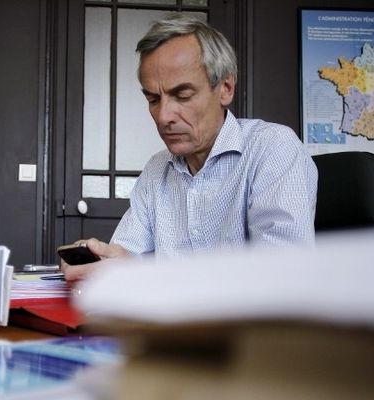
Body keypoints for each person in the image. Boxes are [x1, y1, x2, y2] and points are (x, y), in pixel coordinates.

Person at [62, 12, 318, 281]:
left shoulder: (273, 149)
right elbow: (128, 252)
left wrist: (145, 276)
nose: (163, 117)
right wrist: (105, 261)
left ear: (225, 89)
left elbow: (282, 275)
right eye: (153, 99)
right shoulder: (157, 170)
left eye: (182, 95)